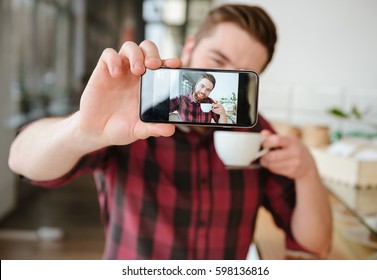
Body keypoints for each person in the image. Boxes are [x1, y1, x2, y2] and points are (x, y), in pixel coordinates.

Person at [8, 4, 332, 259]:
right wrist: (84, 129)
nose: (216, 81)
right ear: (189, 47)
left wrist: (307, 173)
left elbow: (316, 245)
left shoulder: (258, 134)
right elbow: (21, 159)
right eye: (216, 61)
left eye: (241, 74)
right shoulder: (137, 116)